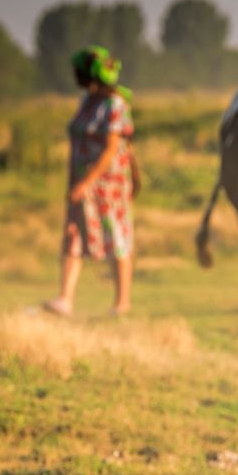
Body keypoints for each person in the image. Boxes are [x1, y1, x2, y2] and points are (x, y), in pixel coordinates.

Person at [44, 45, 139, 316]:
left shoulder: (115, 104)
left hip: (108, 185)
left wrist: (88, 182)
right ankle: (65, 299)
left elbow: (111, 148)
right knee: (74, 233)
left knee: (116, 235)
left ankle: (122, 302)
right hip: (81, 182)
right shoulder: (88, 101)